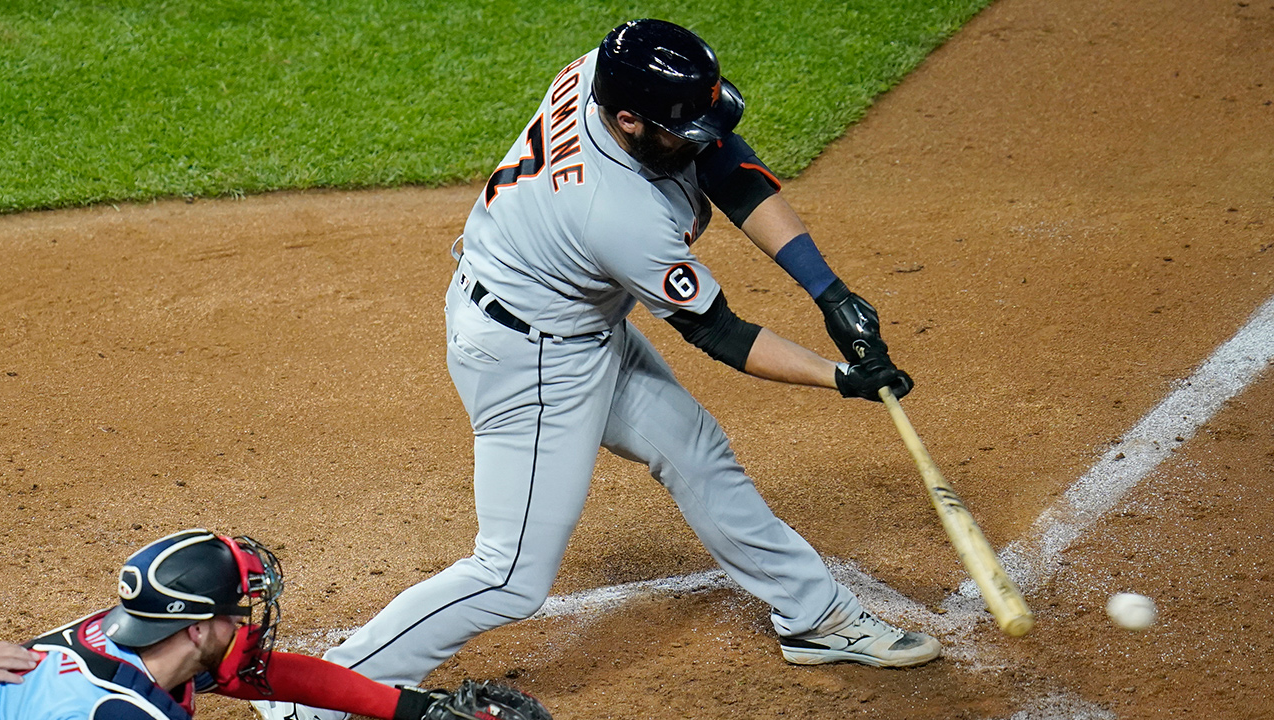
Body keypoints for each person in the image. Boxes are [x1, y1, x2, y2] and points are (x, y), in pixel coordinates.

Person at [275, 17, 942, 720]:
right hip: (529, 360)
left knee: (695, 451)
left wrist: (827, 291)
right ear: (627, 121)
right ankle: (305, 699)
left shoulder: (609, 72)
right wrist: (837, 376)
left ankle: (814, 615)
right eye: (678, 130)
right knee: (508, 575)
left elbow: (720, 159)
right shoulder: (616, 212)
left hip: (567, 319)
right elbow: (720, 333)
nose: (696, 137)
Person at [0, 528, 492, 720]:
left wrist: (413, 710)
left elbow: (273, 675)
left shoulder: (126, 641)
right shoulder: (121, 712)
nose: (246, 625)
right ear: (195, 627)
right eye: (236, 614)